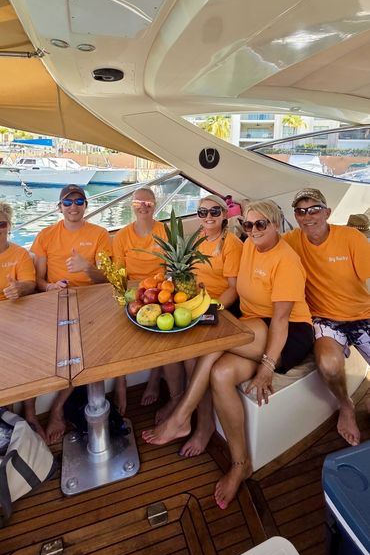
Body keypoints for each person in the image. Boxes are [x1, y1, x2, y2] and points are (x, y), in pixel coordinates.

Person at [143, 200, 313, 509]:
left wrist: (267, 366)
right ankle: (240, 464)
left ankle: (182, 415)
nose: (254, 230)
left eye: (261, 224)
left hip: (288, 332)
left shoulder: (285, 260)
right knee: (220, 373)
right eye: (248, 225)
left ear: (275, 224)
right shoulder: (247, 245)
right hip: (252, 324)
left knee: (211, 343)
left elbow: (280, 319)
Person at [24, 184, 112, 442]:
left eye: (79, 201)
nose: (74, 206)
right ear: (59, 207)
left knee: (83, 352)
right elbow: (38, 280)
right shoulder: (46, 235)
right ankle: (30, 414)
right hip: (54, 301)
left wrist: (87, 268)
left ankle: (58, 408)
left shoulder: (100, 234)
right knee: (37, 351)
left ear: (86, 205)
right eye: (68, 202)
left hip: (90, 302)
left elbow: (107, 279)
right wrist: (50, 286)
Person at [284, 187, 370, 447]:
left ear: (327, 212)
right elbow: (261, 245)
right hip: (324, 319)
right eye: (301, 211)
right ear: (296, 216)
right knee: (329, 365)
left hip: (364, 314)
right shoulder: (291, 241)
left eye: (314, 209)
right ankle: (346, 405)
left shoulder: (351, 237)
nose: (308, 216)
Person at [178, 194, 243, 457]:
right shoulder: (198, 240)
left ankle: (204, 426)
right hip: (196, 305)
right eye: (203, 212)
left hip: (222, 309)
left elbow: (233, 289)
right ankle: (182, 406)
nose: (208, 217)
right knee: (174, 348)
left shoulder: (231, 244)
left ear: (225, 214)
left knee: (194, 358)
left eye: (214, 211)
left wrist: (210, 311)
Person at [113, 187, 181, 414]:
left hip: (161, 290)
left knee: (162, 335)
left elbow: (172, 267)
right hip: (133, 292)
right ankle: (121, 384)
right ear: (131, 206)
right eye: (138, 203)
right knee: (118, 332)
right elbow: (118, 273)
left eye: (149, 203)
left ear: (155, 204)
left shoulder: (164, 231)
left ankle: (154, 378)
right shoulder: (122, 235)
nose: (143, 206)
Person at [0, 201, 35, 301]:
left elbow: (30, 284)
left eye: (1, 224)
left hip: (10, 305)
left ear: (9, 226)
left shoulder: (20, 254)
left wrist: (20, 288)